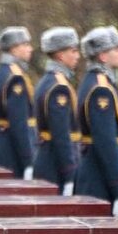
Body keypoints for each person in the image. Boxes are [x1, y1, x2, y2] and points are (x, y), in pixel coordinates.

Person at [75, 26, 118, 213]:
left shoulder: (99, 82)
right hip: (100, 178)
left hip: (98, 172)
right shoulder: (101, 89)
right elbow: (105, 142)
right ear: (103, 56)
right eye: (117, 49)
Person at [32, 27, 80, 193]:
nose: (77, 56)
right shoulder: (59, 86)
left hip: (48, 158)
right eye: (73, 51)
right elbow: (61, 134)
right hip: (55, 165)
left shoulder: (48, 80)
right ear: (60, 55)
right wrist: (69, 173)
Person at [0, 26, 36, 179]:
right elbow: (19, 123)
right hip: (13, 151)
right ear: (14, 49)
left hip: (2, 144)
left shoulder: (1, 71)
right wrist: (28, 160)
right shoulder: (15, 76)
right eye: (26, 45)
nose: (30, 49)